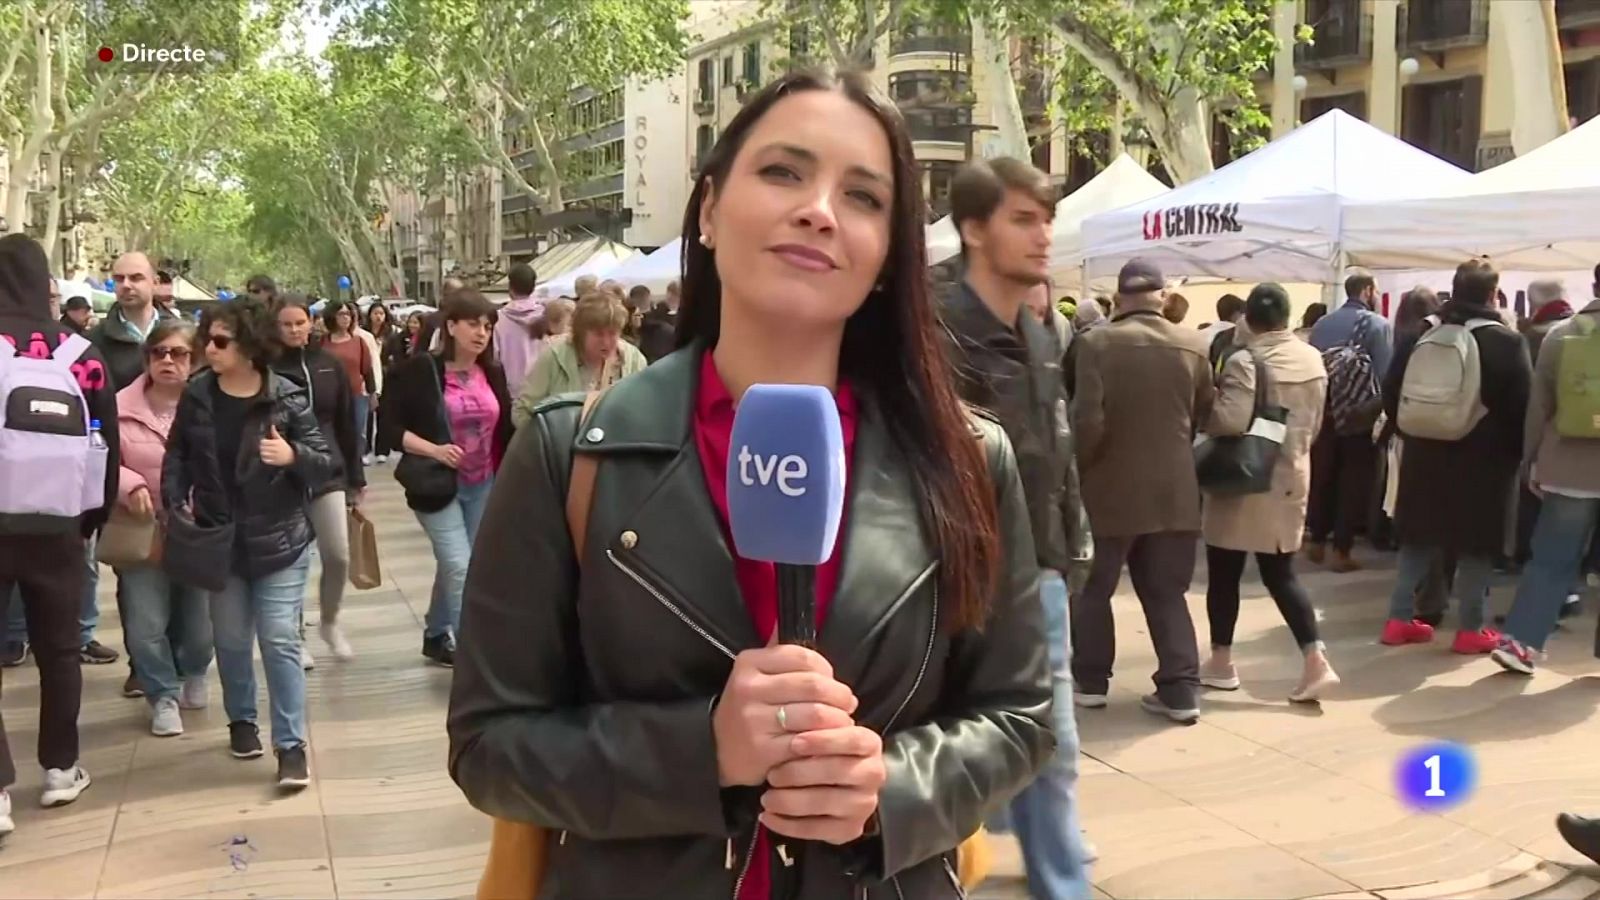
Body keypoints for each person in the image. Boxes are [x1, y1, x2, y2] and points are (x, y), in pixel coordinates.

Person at [448, 68, 1052, 899]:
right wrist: (703, 752)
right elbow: (489, 746)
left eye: (865, 197)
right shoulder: (569, 454)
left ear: (885, 256)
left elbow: (1018, 718)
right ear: (707, 209)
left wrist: (892, 787)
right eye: (783, 172)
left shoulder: (969, 461)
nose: (820, 210)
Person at [940, 154, 1092, 899]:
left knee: (1051, 745)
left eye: (1046, 222)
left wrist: (1070, 547)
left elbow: (1055, 452)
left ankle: (1062, 880)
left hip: (1040, 578)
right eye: (1023, 221)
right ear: (973, 229)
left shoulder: (1039, 336)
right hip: (963, 585)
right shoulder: (938, 336)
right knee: (967, 752)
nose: (1042, 238)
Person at [162, 300, 332, 789]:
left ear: (250, 346)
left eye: (220, 341)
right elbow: (178, 453)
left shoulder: (288, 397)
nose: (208, 350)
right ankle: (241, 719)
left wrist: (291, 454)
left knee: (279, 637)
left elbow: (324, 462)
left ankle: (292, 745)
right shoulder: (198, 395)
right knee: (231, 639)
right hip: (219, 538)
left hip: (280, 537)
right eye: (206, 340)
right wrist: (174, 500)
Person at [0, 234, 119, 836]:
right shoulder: (80, 351)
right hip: (58, 525)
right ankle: (60, 768)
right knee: (60, 650)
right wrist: (90, 519)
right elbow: (108, 440)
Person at [1071, 258, 1214, 723]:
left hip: (1109, 488)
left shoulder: (1096, 343)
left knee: (1095, 589)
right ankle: (1181, 690)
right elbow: (1203, 413)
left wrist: (1082, 469)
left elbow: (1087, 420)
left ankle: (1091, 681)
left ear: (1120, 297)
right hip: (1175, 489)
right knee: (1167, 592)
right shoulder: (1193, 343)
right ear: (1161, 296)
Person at [1380, 259, 1532, 653]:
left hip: (1424, 452)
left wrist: (1411, 429)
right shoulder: (1506, 342)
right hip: (1486, 461)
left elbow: (1392, 389)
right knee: (1477, 546)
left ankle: (1398, 619)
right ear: (1492, 294)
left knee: (1418, 539)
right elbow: (1522, 407)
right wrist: (1514, 455)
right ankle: (1470, 628)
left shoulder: (1422, 333)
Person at [1198, 284, 1339, 702]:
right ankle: (1315, 658)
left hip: (1241, 478)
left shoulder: (1246, 361)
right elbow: (1313, 425)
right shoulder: (1312, 357)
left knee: (1224, 572)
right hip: (1291, 473)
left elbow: (1230, 420)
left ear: (1249, 319)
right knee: (1281, 574)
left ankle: (1221, 661)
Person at [382, 290, 513, 668]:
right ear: (451, 326)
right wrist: (435, 449)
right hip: (436, 485)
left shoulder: (493, 373)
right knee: (460, 566)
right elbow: (390, 430)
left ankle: (437, 633)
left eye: (487, 326)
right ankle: (476, 664)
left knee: (456, 563)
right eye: (473, 324)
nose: (481, 333)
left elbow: (506, 429)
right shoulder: (421, 370)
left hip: (482, 483)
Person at [1490, 272, 1600, 674]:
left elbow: (1539, 408)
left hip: (1566, 466)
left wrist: (1531, 460)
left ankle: (1521, 642)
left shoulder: (1559, 335)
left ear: (1593, 288)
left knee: (1551, 559)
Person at [113, 319, 214, 736]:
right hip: (143, 531)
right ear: (147, 358)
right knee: (146, 623)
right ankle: (162, 695)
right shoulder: (119, 406)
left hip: (199, 530)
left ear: (197, 360)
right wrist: (128, 484)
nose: (168, 361)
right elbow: (97, 455)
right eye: (159, 353)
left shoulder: (212, 406)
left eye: (179, 353)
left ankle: (194, 671)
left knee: (201, 623)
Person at [272, 295, 364, 662]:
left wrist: (355, 478)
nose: (295, 330)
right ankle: (296, 635)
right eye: (287, 324)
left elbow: (346, 422)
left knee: (338, 554)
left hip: (329, 471)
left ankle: (329, 621)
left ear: (311, 323)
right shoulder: (267, 368)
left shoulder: (329, 364)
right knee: (292, 560)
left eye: (300, 322)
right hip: (283, 474)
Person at [1307, 269, 1394, 572]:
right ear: (1368, 291)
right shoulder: (1377, 325)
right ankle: (1341, 549)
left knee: (1324, 473)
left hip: (1326, 409)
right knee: (1354, 479)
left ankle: (1316, 538)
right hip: (1359, 414)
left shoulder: (1321, 324)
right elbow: (1384, 374)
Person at [510, 291, 647, 429]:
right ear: (581, 332)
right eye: (598, 334)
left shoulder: (633, 359)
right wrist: (549, 443)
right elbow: (522, 412)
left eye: (612, 333)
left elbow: (644, 410)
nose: (606, 342)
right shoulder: (553, 357)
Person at [321, 301, 376, 462]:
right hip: (330, 395)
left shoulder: (359, 342)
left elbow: (367, 370)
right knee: (333, 432)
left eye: (348, 314)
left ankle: (355, 464)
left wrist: (373, 394)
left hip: (356, 395)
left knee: (357, 431)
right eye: (341, 314)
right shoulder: (322, 343)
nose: (345, 318)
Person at [491, 263, 546, 394]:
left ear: (510, 287)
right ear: (533, 288)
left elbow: (494, 357)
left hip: (511, 392)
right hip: (543, 390)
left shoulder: (498, 319)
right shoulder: (547, 316)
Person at [364, 302, 398, 464]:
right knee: (367, 414)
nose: (378, 317)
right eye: (375, 313)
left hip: (386, 377)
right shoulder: (363, 333)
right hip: (367, 376)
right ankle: (365, 449)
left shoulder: (391, 334)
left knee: (384, 415)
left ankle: (382, 449)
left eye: (381, 313)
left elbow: (395, 356)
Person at [638, 282, 680, 364]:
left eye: (675, 295)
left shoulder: (684, 314)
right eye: (670, 294)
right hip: (656, 352)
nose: (670, 297)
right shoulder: (658, 308)